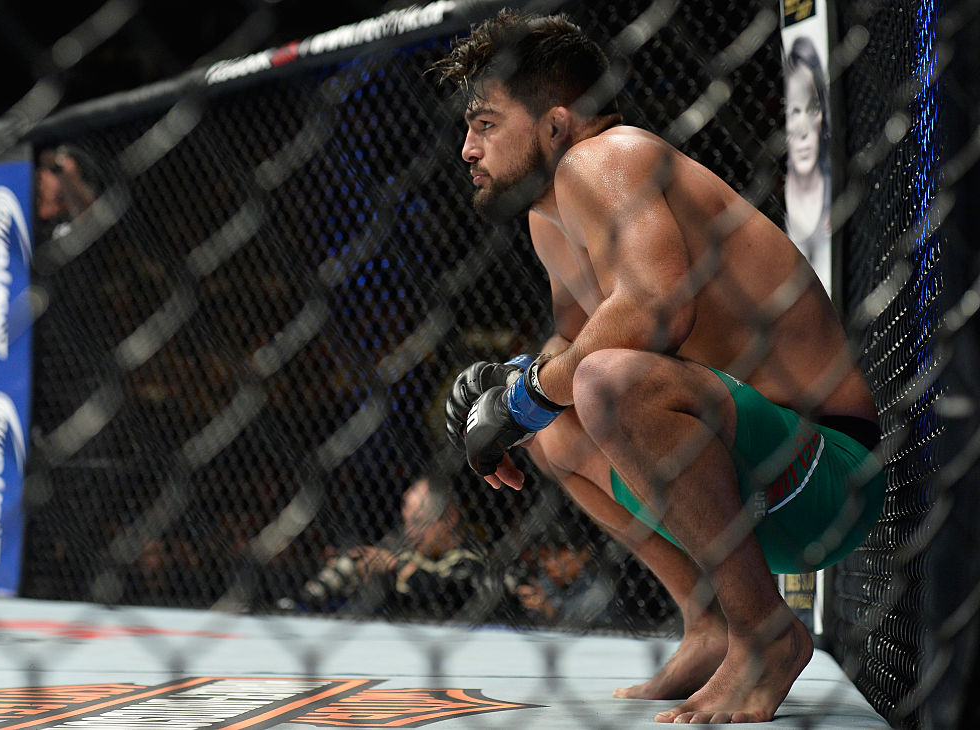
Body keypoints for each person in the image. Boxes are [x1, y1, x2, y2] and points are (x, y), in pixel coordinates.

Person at [434, 11, 885, 724]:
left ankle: (765, 635)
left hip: (826, 474)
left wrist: (524, 393)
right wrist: (509, 384)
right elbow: (573, 348)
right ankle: (710, 623)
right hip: (750, 481)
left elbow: (652, 313)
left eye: (486, 124)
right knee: (554, 426)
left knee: (602, 382)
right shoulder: (546, 217)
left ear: (555, 123)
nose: (466, 149)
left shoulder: (607, 156)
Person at [301, 476, 491, 620]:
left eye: (419, 523)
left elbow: (454, 595)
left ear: (449, 518)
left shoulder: (472, 555)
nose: (410, 531)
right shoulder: (404, 546)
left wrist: (396, 566)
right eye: (407, 522)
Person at [784, 36, 831, 275]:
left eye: (812, 108)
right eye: (794, 111)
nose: (803, 129)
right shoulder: (782, 195)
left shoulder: (834, 191)